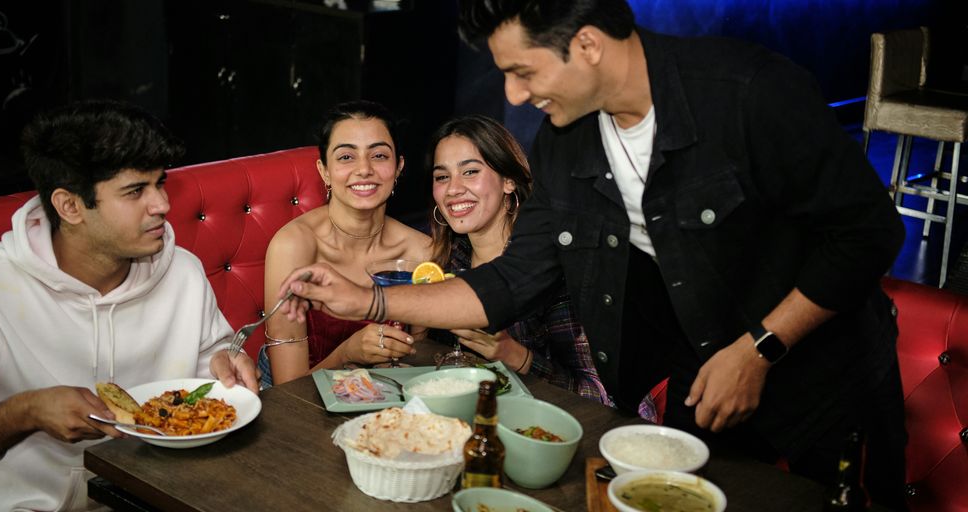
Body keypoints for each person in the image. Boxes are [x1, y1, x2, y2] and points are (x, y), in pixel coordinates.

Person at [276, 1, 909, 509]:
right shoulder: (565, 145)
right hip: (701, 386)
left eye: (523, 72)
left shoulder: (748, 90)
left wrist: (760, 347)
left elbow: (869, 234)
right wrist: (368, 299)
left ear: (586, 45)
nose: (515, 95)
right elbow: (510, 280)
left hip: (823, 380)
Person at [0, 100, 258, 512]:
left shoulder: (182, 271)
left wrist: (224, 363)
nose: (162, 204)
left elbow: (212, 364)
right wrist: (22, 413)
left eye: (160, 182)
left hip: (166, 495)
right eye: (135, 191)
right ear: (70, 206)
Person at [428, 114, 617, 408]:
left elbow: (601, 397)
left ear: (509, 181)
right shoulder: (445, 263)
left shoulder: (556, 269)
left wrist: (515, 355)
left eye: (470, 172)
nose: (453, 189)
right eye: (442, 177)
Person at [258, 100, 431, 387]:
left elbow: (414, 359)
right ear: (324, 170)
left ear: (398, 167)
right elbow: (288, 389)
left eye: (378, 155)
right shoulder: (294, 245)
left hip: (381, 389)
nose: (364, 169)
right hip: (293, 397)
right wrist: (348, 355)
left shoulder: (420, 252)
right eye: (346, 157)